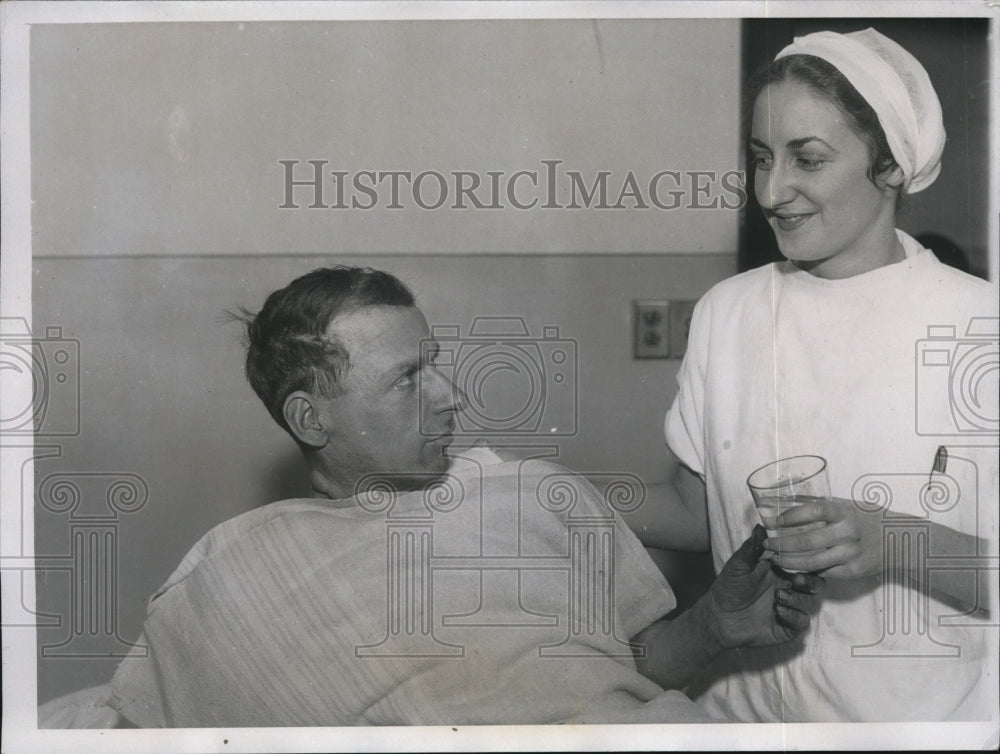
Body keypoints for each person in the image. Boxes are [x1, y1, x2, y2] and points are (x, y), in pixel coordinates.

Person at [107, 266, 822, 727]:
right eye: (407, 378)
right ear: (310, 418)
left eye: (436, 367)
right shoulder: (235, 570)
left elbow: (620, 670)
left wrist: (715, 626)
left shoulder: (535, 495)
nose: (451, 398)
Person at [625, 28, 998, 722]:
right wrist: (546, 491)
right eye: (761, 158)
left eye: (809, 160)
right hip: (741, 717)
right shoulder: (728, 312)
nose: (772, 191)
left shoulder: (977, 324)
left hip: (916, 728)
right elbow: (697, 508)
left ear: (889, 165)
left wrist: (891, 540)